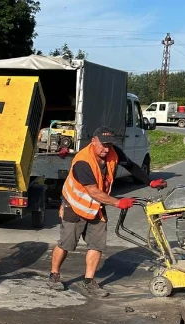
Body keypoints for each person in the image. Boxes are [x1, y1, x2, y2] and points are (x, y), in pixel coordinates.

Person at [49, 127, 165, 297]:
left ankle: (88, 281)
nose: (106, 149)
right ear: (94, 141)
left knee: (97, 244)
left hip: (97, 206)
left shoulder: (113, 152)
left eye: (109, 145)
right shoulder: (83, 161)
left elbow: (131, 166)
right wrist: (118, 202)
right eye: (103, 145)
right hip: (75, 206)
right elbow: (93, 191)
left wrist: (150, 181)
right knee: (66, 244)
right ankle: (54, 275)